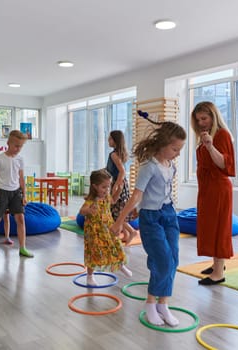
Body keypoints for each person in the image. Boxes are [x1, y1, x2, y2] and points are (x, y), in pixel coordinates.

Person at [111, 113, 186, 327]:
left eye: (180, 150)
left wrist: (141, 208)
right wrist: (120, 221)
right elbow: (136, 194)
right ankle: (150, 303)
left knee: (173, 259)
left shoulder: (171, 166)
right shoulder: (149, 167)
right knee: (162, 260)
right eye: (175, 149)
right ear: (162, 144)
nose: (177, 154)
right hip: (151, 218)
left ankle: (164, 304)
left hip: (169, 214)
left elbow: (161, 192)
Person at [191, 101, 235, 285]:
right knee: (209, 226)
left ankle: (219, 273)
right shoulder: (204, 135)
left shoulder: (222, 135)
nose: (201, 123)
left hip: (218, 188)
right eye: (198, 119)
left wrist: (209, 146)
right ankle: (217, 264)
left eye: (204, 118)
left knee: (218, 228)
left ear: (213, 116)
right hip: (207, 188)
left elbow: (225, 164)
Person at [0, 130, 34, 257]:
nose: (18, 148)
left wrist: (24, 195)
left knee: (20, 219)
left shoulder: (20, 159)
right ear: (8, 143)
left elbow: (21, 178)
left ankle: (22, 248)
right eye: (16, 145)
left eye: (21, 146)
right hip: (1, 192)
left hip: (16, 192)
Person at [79, 169, 132, 286]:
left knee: (116, 246)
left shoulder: (107, 195)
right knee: (94, 252)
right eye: (104, 187)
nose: (107, 190)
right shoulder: (91, 200)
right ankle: (90, 276)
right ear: (95, 186)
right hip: (95, 231)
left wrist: (118, 190)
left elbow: (113, 201)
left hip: (108, 228)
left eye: (108, 187)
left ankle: (121, 265)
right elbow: (81, 211)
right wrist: (89, 210)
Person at [106, 130, 136, 244]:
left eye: (110, 139)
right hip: (121, 184)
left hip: (119, 185)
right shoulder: (117, 153)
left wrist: (116, 187)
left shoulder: (113, 154)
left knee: (116, 213)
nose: (108, 141)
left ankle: (131, 231)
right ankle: (126, 235)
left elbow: (122, 171)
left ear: (115, 140)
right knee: (119, 211)